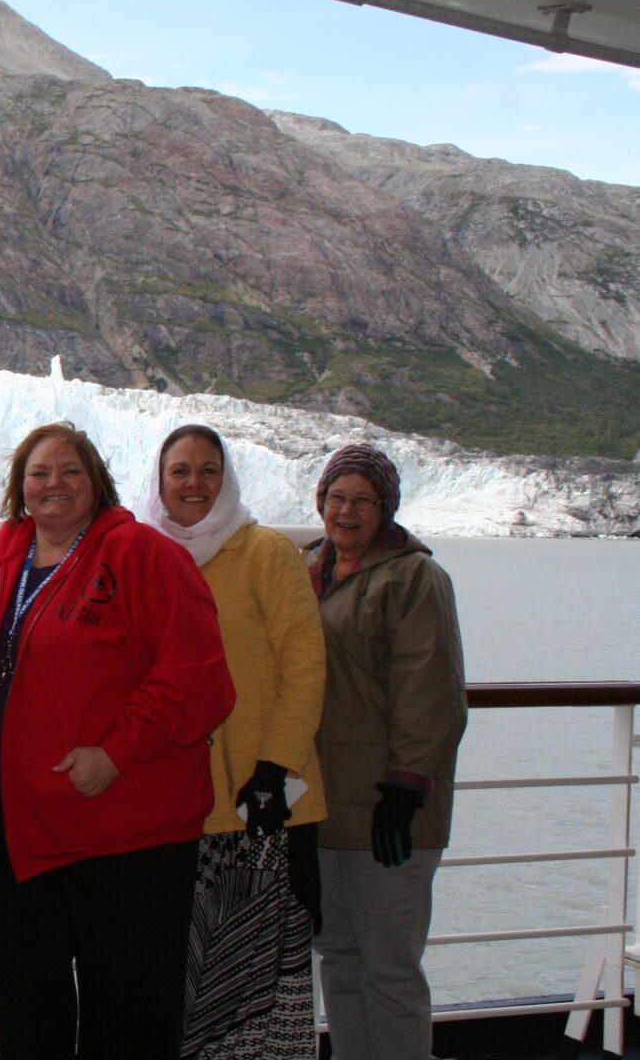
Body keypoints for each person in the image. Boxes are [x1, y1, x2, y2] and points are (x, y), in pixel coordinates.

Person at [0, 421, 236, 1060]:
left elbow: (200, 682)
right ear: (19, 488)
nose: (54, 484)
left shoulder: (145, 555)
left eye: (70, 472)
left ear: (97, 482)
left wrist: (117, 752)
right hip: (17, 836)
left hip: (125, 834)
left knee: (129, 1021)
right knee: (29, 1021)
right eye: (39, 473)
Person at [138, 424, 326, 1059]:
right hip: (173, 810)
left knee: (259, 978)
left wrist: (274, 770)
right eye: (181, 471)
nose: (195, 484)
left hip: (259, 802)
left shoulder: (265, 552)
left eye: (208, 470)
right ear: (159, 482)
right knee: (179, 979)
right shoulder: (146, 556)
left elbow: (305, 665)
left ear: (227, 479)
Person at [306, 444, 466, 1060]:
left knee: (390, 967)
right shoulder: (307, 570)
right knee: (340, 959)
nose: (346, 511)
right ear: (321, 503)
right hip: (323, 804)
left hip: (388, 810)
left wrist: (404, 789)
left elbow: (431, 689)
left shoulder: (415, 578)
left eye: (362, 500)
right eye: (336, 497)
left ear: (386, 508)